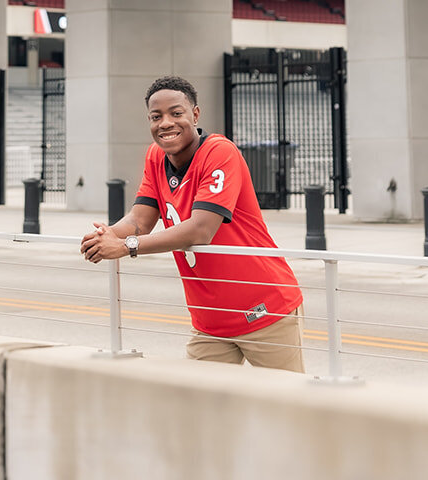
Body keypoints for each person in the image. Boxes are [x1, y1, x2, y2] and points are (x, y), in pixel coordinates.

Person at [80, 74, 304, 371]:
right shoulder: (155, 157)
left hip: (263, 309)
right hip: (210, 321)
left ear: (195, 114)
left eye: (176, 113)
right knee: (200, 410)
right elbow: (140, 219)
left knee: (287, 407)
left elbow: (202, 229)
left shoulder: (219, 152)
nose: (166, 123)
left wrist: (125, 246)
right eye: (156, 116)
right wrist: (106, 236)